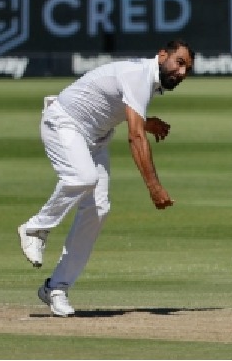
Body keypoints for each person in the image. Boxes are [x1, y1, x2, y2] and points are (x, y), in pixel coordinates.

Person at [17, 39, 195, 317]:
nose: (182, 73)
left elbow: (115, 107)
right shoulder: (139, 75)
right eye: (179, 63)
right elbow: (134, 136)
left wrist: (147, 123)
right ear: (162, 55)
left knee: (98, 210)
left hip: (94, 139)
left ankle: (56, 287)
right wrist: (154, 187)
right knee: (83, 177)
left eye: (187, 69)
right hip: (63, 122)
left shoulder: (147, 80)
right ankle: (35, 228)